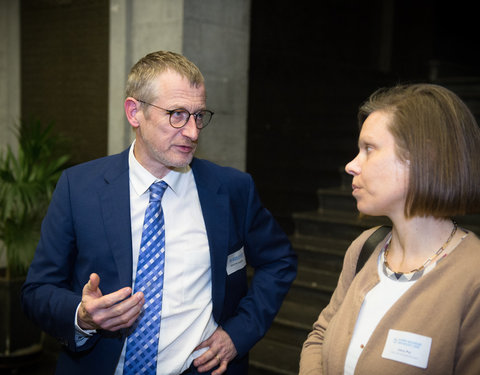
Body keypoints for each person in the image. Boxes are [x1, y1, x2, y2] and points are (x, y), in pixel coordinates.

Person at [21, 50, 297, 375]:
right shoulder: (78, 188)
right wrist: (82, 315)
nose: (193, 132)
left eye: (198, 116)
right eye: (177, 114)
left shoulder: (232, 190)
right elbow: (37, 291)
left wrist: (239, 334)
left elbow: (279, 261)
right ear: (134, 112)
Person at [299, 83, 480, 374]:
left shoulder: (472, 278)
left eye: (369, 149)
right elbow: (319, 337)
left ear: (424, 158)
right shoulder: (366, 247)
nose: (351, 166)